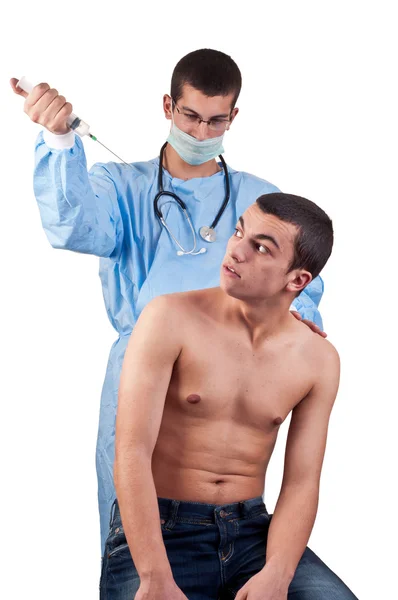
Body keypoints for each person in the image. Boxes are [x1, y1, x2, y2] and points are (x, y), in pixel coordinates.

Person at [10, 49, 326, 555]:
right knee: (134, 548)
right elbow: (72, 226)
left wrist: (299, 333)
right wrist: (60, 138)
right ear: (168, 106)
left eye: (216, 120)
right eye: (191, 117)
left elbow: (299, 292)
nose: (201, 134)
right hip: (142, 375)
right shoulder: (120, 185)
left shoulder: (258, 198)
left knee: (225, 542)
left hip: (233, 378)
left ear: (233, 118)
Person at [105, 193, 358, 600]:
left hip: (254, 533)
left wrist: (277, 573)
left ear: (298, 281)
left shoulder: (318, 359)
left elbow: (301, 483)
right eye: (239, 231)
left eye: (260, 247)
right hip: (163, 530)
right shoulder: (168, 318)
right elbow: (131, 450)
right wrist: (154, 576)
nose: (235, 250)